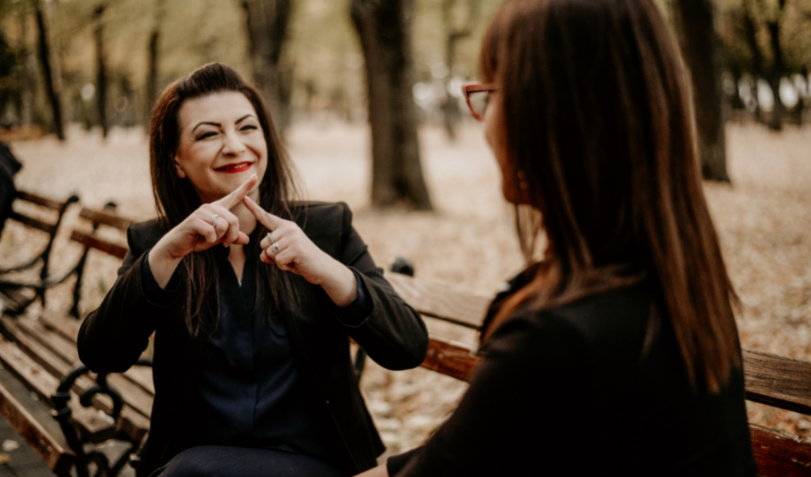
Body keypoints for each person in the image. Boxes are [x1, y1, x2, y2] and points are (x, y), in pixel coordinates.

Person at [357, 0, 758, 476]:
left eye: (493, 92)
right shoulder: (678, 286)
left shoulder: (560, 337)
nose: (484, 121)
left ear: (551, 112)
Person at [77, 63, 429, 477]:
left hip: (313, 462)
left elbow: (408, 347)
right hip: (195, 462)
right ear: (176, 161)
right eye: (208, 133)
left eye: (247, 128)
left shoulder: (326, 228)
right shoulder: (157, 242)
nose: (234, 145)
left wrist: (327, 271)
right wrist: (166, 254)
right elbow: (101, 354)